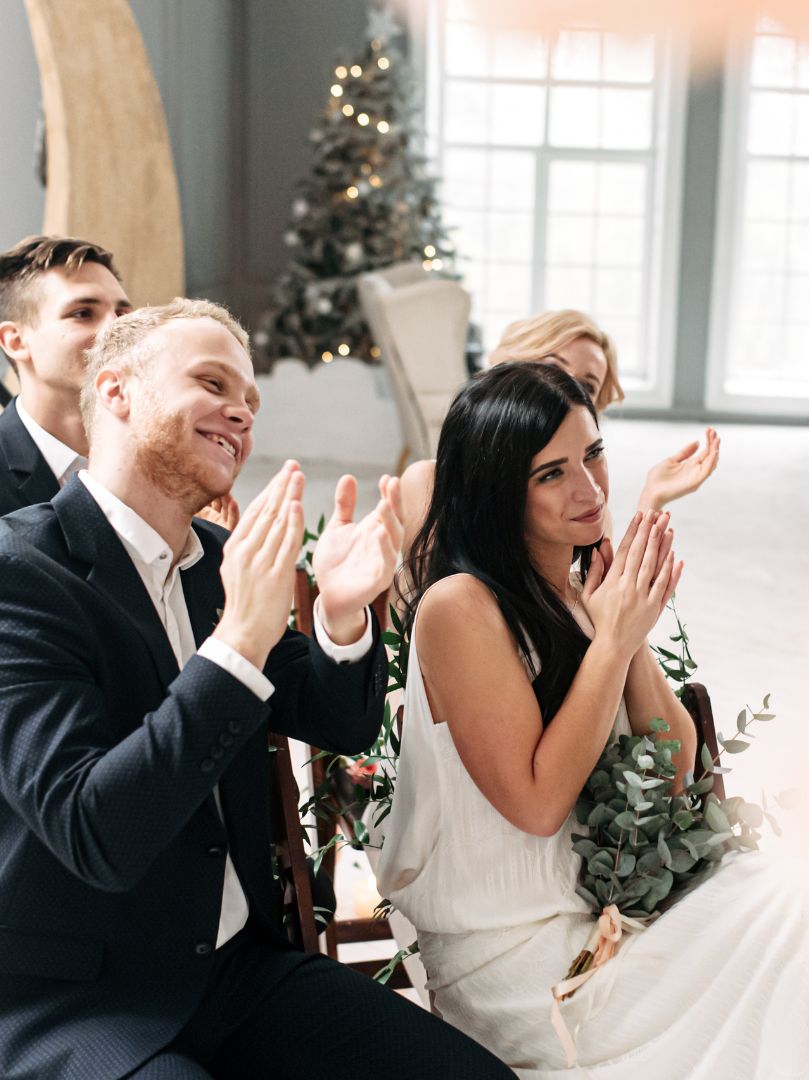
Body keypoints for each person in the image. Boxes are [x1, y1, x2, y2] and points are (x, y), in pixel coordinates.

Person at [0, 299, 510, 1079]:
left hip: (240, 972)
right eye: (212, 383)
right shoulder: (21, 573)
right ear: (115, 391)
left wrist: (341, 617)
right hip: (84, 1003)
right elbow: (95, 831)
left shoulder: (219, 558)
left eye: (250, 401)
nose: (240, 412)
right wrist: (237, 642)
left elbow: (340, 722)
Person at [377, 362, 809, 1077]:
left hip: (608, 916)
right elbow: (534, 806)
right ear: (499, 487)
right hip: (515, 956)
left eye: (593, 455)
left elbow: (678, 772)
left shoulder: (575, 585)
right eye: (551, 474)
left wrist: (624, 630)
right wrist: (612, 641)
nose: (589, 489)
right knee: (803, 924)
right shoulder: (459, 607)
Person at [398, 309, 721, 560]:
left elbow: (613, 610)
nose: (564, 388)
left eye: (586, 385)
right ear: (510, 363)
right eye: (552, 366)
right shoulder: (426, 482)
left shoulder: (588, 504)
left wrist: (652, 497)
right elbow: (417, 618)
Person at [0, 235, 239, 528]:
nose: (115, 328)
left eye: (123, 313)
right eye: (83, 313)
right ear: (16, 341)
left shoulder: (171, 464)